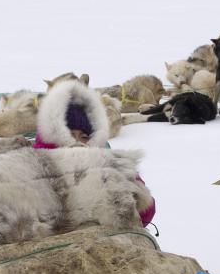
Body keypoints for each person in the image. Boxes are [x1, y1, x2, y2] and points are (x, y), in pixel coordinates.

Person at [34, 78, 156, 226]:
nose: (77, 142)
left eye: (84, 136)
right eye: (69, 134)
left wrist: (133, 186)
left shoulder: (106, 161)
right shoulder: (35, 163)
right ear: (53, 132)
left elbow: (145, 213)